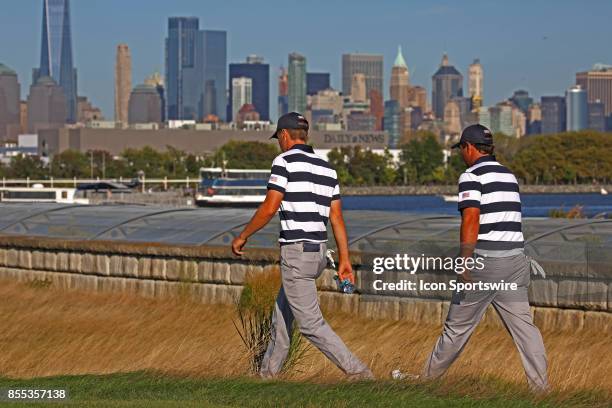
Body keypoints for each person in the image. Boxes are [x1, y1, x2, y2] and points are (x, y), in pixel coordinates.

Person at [231, 112, 373, 380]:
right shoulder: (327, 168)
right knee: (282, 317)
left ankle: (359, 373)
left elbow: (270, 207)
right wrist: (345, 260)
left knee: (310, 323)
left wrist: (243, 235)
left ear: (284, 135)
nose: (278, 144)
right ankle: (267, 376)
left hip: (296, 252)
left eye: (278, 139)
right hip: (319, 252)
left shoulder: (283, 162)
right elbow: (337, 218)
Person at [421, 124, 549, 392]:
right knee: (526, 330)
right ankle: (541, 390)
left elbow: (471, 219)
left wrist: (465, 261)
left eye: (461, 150)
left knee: (457, 328)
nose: (461, 155)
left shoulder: (471, 176)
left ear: (469, 147)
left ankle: (425, 383)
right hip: (515, 261)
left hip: (485, 263)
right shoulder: (509, 176)